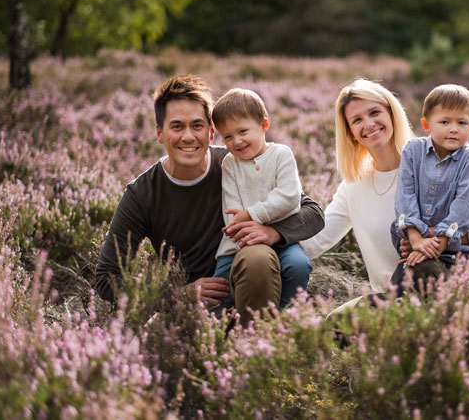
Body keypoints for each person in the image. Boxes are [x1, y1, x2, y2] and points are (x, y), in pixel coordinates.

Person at [95, 74, 324, 326]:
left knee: (257, 257)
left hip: (253, 285)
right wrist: (176, 295)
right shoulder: (142, 194)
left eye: (197, 125)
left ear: (211, 131)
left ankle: (260, 345)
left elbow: (312, 213)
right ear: (160, 133)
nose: (188, 136)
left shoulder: (237, 162)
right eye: (177, 126)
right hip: (197, 310)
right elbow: (107, 278)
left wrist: (273, 232)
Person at [300, 79, 469, 311]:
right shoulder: (353, 187)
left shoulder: (433, 164)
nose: (369, 124)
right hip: (393, 298)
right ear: (350, 133)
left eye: (374, 113)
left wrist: (432, 239)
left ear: (392, 115)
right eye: (357, 120)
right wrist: (269, 237)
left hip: (447, 288)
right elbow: (316, 240)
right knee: (335, 324)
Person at [211, 88, 311, 310]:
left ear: (264, 126)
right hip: (239, 243)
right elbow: (232, 213)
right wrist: (245, 224)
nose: (236, 141)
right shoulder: (230, 164)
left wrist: (251, 215)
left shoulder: (281, 155)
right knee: (220, 291)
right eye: (227, 136)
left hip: (283, 241)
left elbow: (289, 198)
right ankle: (216, 330)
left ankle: (282, 318)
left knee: (299, 266)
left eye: (243, 131)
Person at [390, 84, 469, 295]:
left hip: (455, 248)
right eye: (444, 122)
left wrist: (438, 243)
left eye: (462, 123)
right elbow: (405, 194)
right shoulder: (413, 151)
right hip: (411, 241)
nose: (453, 129)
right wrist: (415, 239)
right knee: (402, 291)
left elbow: (464, 205)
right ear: (426, 125)